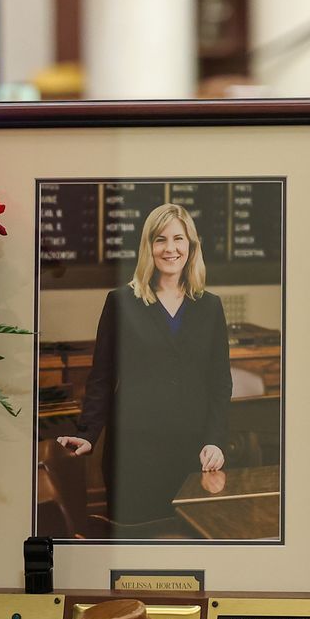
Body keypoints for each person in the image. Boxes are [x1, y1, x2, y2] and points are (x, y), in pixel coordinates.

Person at [56, 202, 233, 528]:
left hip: (193, 454)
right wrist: (88, 434)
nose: (170, 249)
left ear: (191, 246)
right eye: (160, 239)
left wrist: (215, 440)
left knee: (191, 541)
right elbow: (102, 377)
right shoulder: (121, 302)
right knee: (136, 545)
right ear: (148, 247)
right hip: (133, 455)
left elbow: (220, 383)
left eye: (178, 239)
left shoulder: (210, 306)